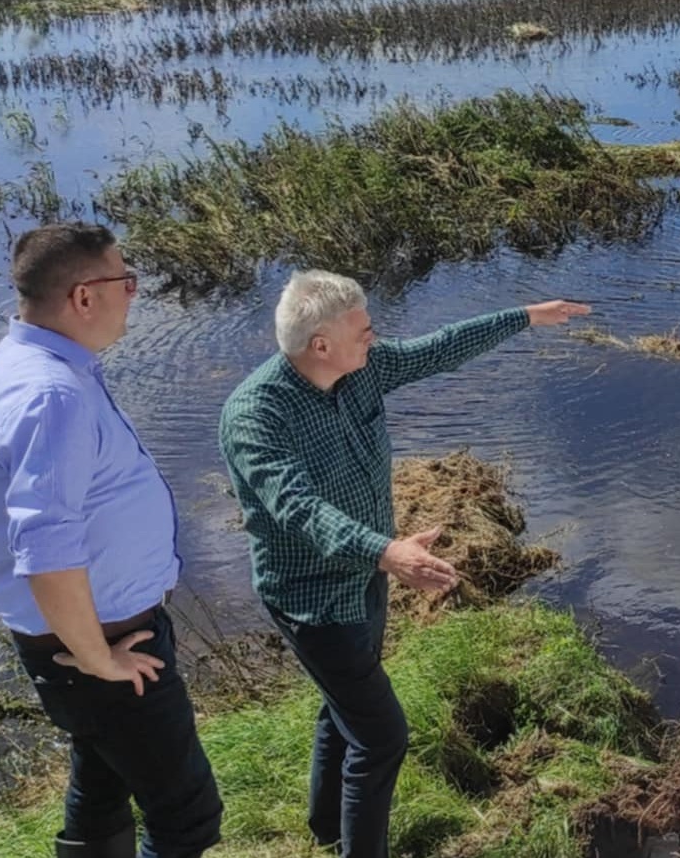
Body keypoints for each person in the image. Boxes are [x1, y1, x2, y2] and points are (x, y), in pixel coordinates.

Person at [217, 270, 588, 857]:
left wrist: (525, 316)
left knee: (342, 709)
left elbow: (436, 350)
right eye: (363, 330)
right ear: (321, 345)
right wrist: (388, 551)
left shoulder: (361, 370)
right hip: (310, 595)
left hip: (368, 576)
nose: (375, 337)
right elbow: (297, 508)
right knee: (382, 737)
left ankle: (324, 829)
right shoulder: (256, 415)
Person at [0, 223, 223, 858]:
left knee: (103, 786)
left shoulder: (31, 362)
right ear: (83, 297)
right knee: (186, 817)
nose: (135, 293)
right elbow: (46, 552)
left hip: (83, 644)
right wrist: (99, 660)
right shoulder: (50, 393)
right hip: (100, 646)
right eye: (126, 280)